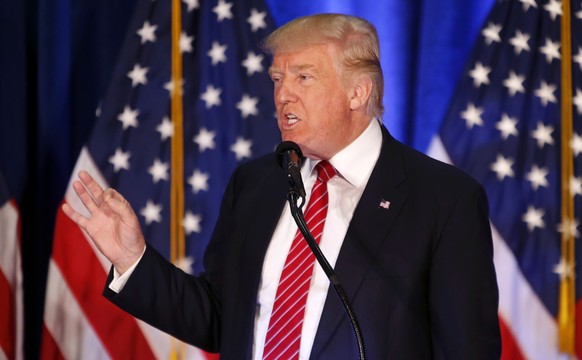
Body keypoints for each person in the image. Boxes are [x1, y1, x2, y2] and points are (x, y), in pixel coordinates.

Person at [63, 13, 501, 359]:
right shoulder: (256, 184)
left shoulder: (444, 200)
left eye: (303, 78)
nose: (283, 95)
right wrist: (132, 259)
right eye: (277, 79)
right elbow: (219, 318)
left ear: (358, 92)